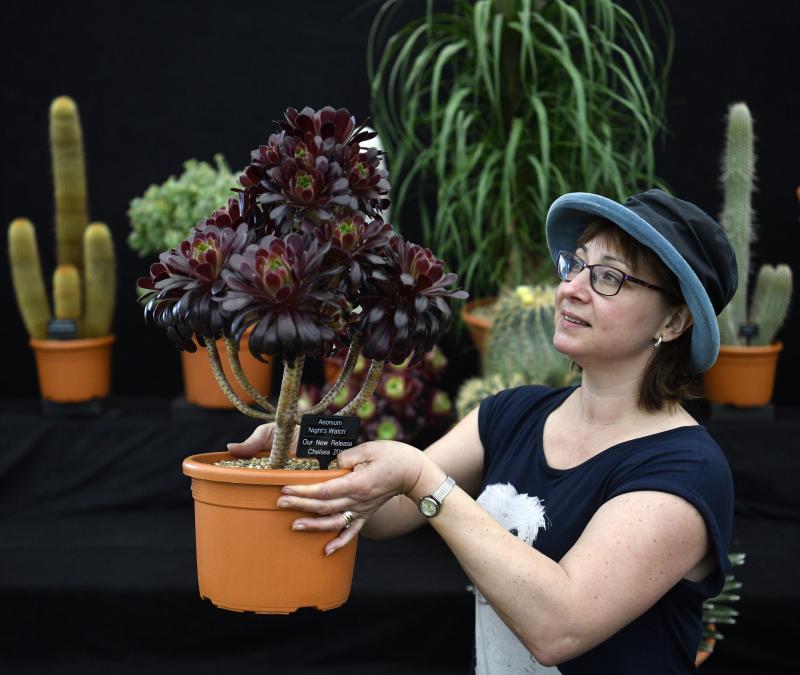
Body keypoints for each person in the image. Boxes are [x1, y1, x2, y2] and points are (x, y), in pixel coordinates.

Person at [228, 189, 737, 674]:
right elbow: (389, 508)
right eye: (575, 264)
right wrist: (308, 449)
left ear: (673, 321)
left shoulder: (684, 470)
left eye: (609, 278)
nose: (572, 288)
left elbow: (560, 626)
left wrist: (425, 481)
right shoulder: (514, 414)